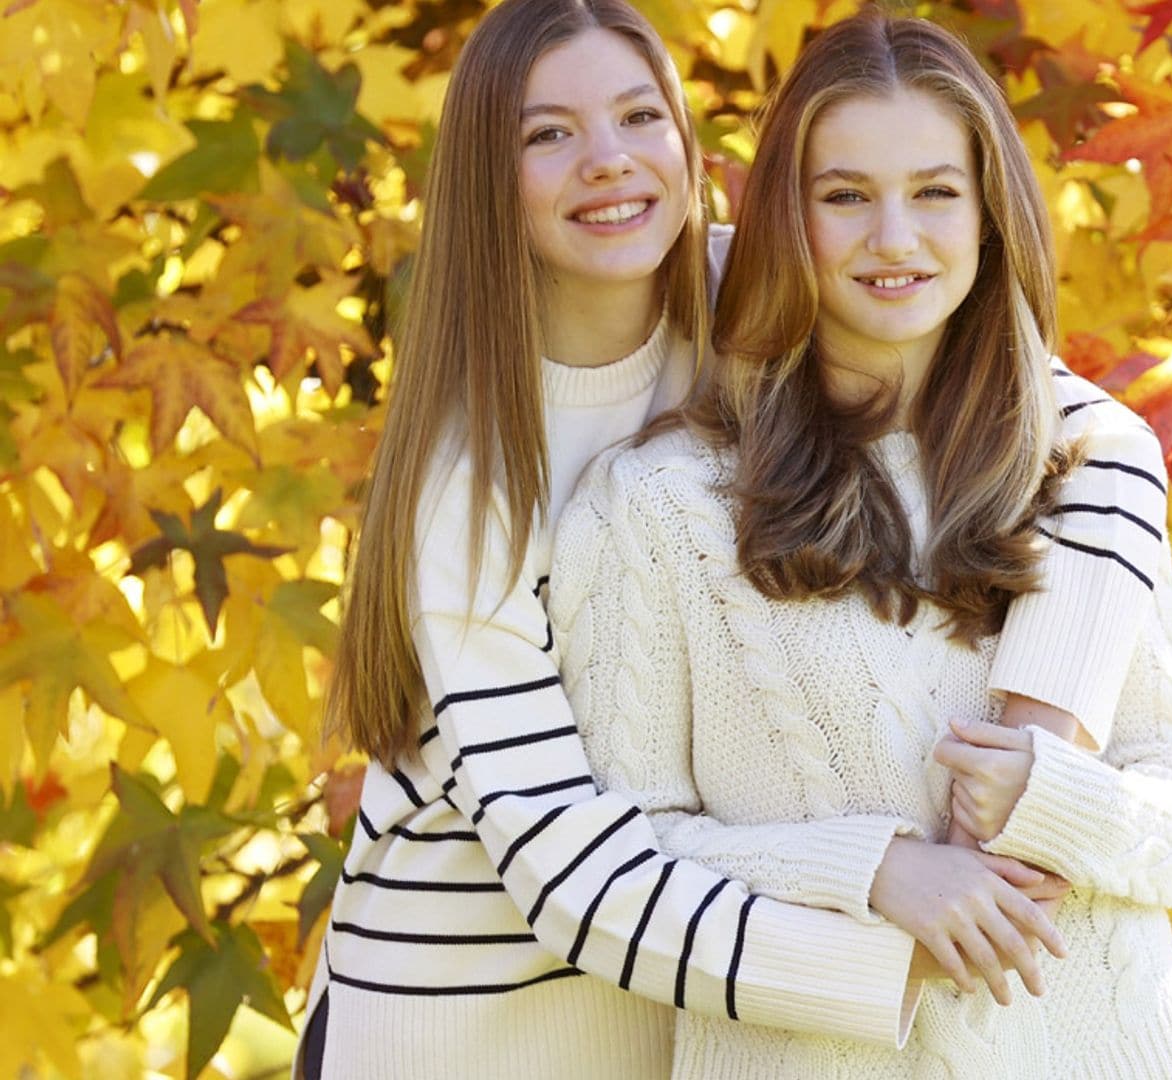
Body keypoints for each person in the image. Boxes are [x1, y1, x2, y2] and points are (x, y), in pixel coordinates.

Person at [297, 2, 1069, 1076]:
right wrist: (892, 922)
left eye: (637, 116)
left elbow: (1061, 417)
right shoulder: (473, 486)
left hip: (687, 1021)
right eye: (547, 134)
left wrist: (1049, 713)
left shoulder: (754, 303)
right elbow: (566, 872)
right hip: (466, 1024)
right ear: (488, 178)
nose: (608, 163)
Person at [549, 11, 1172, 1078]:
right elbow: (625, 868)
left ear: (987, 215)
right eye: (845, 197)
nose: (895, 239)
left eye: (934, 192)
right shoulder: (658, 509)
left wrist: (1059, 800)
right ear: (787, 217)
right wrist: (879, 872)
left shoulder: (1079, 475)